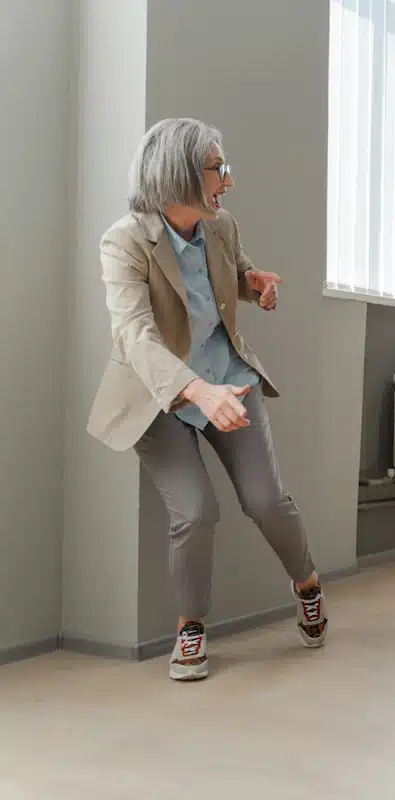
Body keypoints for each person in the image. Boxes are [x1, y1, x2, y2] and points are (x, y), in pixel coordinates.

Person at [86, 118, 327, 682]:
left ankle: (308, 584)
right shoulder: (124, 241)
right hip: (160, 394)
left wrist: (255, 285)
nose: (229, 180)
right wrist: (195, 391)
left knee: (266, 501)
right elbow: (135, 335)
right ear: (181, 173)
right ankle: (190, 627)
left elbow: (231, 275)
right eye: (219, 168)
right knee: (194, 512)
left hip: (228, 377)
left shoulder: (220, 226)